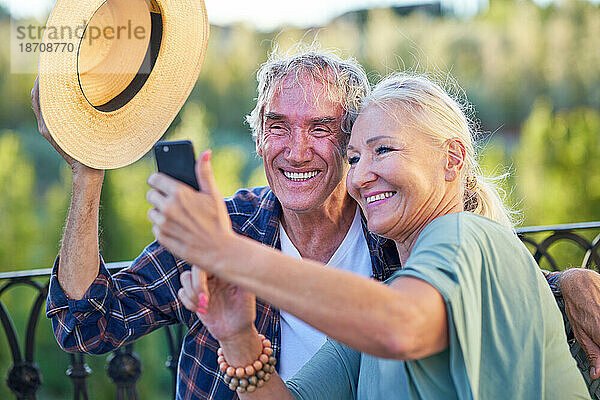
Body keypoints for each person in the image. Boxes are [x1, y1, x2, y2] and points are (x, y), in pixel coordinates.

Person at [32, 47, 600, 400]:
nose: (296, 150)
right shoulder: (227, 226)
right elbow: (86, 323)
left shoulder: (394, 237)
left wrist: (565, 285)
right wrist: (87, 174)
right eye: (278, 126)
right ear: (258, 138)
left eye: (324, 130)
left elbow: (445, 300)